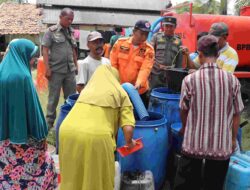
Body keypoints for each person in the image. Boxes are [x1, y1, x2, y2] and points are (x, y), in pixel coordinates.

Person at [176, 35, 244, 190]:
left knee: (189, 185)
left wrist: (185, 128)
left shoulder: (189, 80)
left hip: (193, 144)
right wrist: (233, 139)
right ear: (218, 54)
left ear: (199, 54)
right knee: (214, 185)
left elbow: (183, 109)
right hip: (220, 147)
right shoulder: (232, 81)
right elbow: (236, 114)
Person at [59, 65, 136, 190]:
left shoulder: (86, 91)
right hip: (96, 137)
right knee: (97, 179)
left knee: (73, 176)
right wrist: (130, 142)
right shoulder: (120, 93)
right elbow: (128, 129)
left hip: (67, 131)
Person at [0, 39, 57, 189]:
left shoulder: (2, 71)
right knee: (42, 166)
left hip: (3, 138)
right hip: (24, 139)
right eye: (32, 56)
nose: (33, 60)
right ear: (22, 54)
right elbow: (32, 110)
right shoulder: (22, 77)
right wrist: (41, 134)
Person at [42, 7, 78, 129]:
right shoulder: (51, 31)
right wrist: (47, 68)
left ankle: (69, 123)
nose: (70, 22)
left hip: (70, 71)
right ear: (60, 17)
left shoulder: (71, 32)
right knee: (53, 98)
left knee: (71, 98)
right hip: (56, 71)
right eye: (68, 19)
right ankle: (49, 125)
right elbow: (45, 50)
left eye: (72, 19)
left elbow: (73, 49)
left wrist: (76, 64)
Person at [110, 20, 154, 106]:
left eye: (146, 34)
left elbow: (145, 68)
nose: (144, 37)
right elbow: (113, 64)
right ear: (134, 31)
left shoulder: (149, 50)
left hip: (139, 91)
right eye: (142, 33)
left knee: (139, 116)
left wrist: (139, 83)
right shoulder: (120, 43)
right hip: (120, 89)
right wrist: (114, 82)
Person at [150, 16, 183, 89]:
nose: (168, 28)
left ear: (175, 27)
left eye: (171, 26)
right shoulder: (156, 37)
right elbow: (150, 55)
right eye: (166, 26)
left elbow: (179, 61)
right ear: (163, 26)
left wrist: (176, 75)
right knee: (152, 93)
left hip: (170, 74)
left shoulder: (178, 41)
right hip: (156, 73)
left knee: (168, 94)